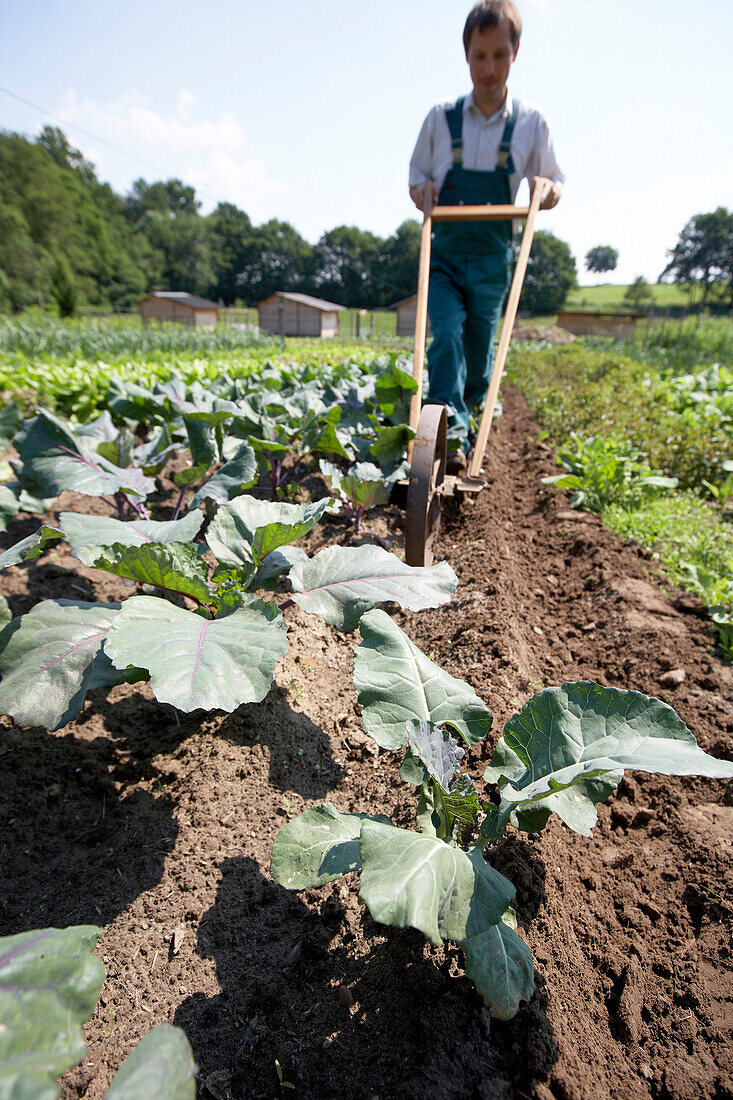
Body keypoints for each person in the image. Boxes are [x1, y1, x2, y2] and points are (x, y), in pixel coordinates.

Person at [409, 0, 564, 471]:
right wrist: (423, 190)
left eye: (499, 54)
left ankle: (471, 411)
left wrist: (545, 189)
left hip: (492, 261)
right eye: (480, 55)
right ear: (466, 55)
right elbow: (416, 177)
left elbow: (554, 184)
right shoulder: (440, 119)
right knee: (446, 333)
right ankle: (447, 431)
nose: (489, 68)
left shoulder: (530, 123)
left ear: (515, 53)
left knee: (480, 353)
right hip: (445, 256)